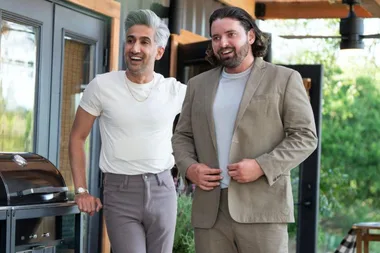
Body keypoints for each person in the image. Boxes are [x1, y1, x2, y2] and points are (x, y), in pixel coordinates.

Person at [172, 6, 318, 253]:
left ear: (250, 36)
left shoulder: (284, 78)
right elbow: (182, 136)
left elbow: (305, 137)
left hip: (263, 210)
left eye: (231, 34)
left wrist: (262, 166)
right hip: (211, 212)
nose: (223, 43)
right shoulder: (197, 85)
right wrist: (190, 167)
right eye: (216, 37)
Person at [69, 9, 186, 253]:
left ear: (159, 51)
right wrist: (81, 190)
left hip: (163, 190)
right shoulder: (102, 86)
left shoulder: (174, 90)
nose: (135, 48)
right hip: (120, 193)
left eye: (145, 42)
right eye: (131, 40)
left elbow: (209, 115)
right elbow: (78, 137)